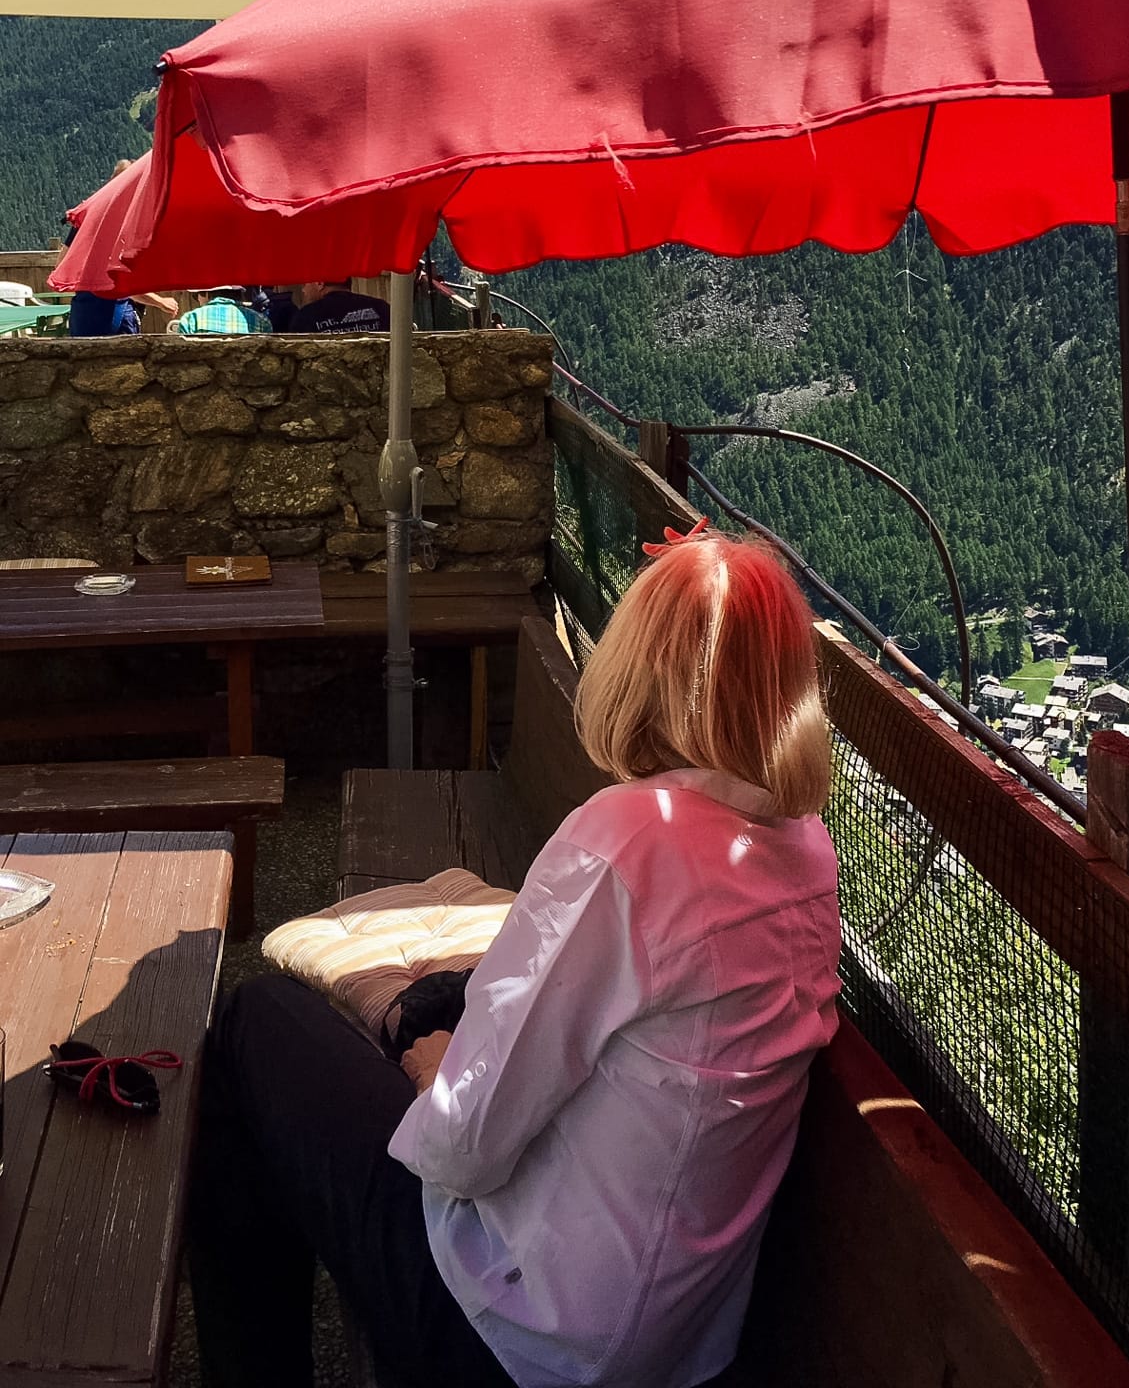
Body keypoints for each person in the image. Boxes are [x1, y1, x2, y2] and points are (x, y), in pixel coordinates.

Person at [188, 523, 841, 1388]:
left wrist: (437, 1070)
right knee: (397, 1028)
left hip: (519, 1337)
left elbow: (462, 1150)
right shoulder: (806, 853)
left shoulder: (629, 842)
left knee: (256, 1025)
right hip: (678, 1345)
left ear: (637, 673)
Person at [67, 161, 179, 336]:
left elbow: (62, 264)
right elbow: (122, 284)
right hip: (114, 318)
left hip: (82, 315)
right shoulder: (127, 223)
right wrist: (160, 301)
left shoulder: (87, 215)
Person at [292, 277, 390, 335]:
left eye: (305, 284)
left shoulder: (305, 317)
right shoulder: (380, 307)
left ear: (319, 283)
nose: (303, 290)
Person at [175, 288, 273, 335]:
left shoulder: (191, 320)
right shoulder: (261, 321)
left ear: (207, 293)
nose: (198, 300)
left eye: (196, 296)